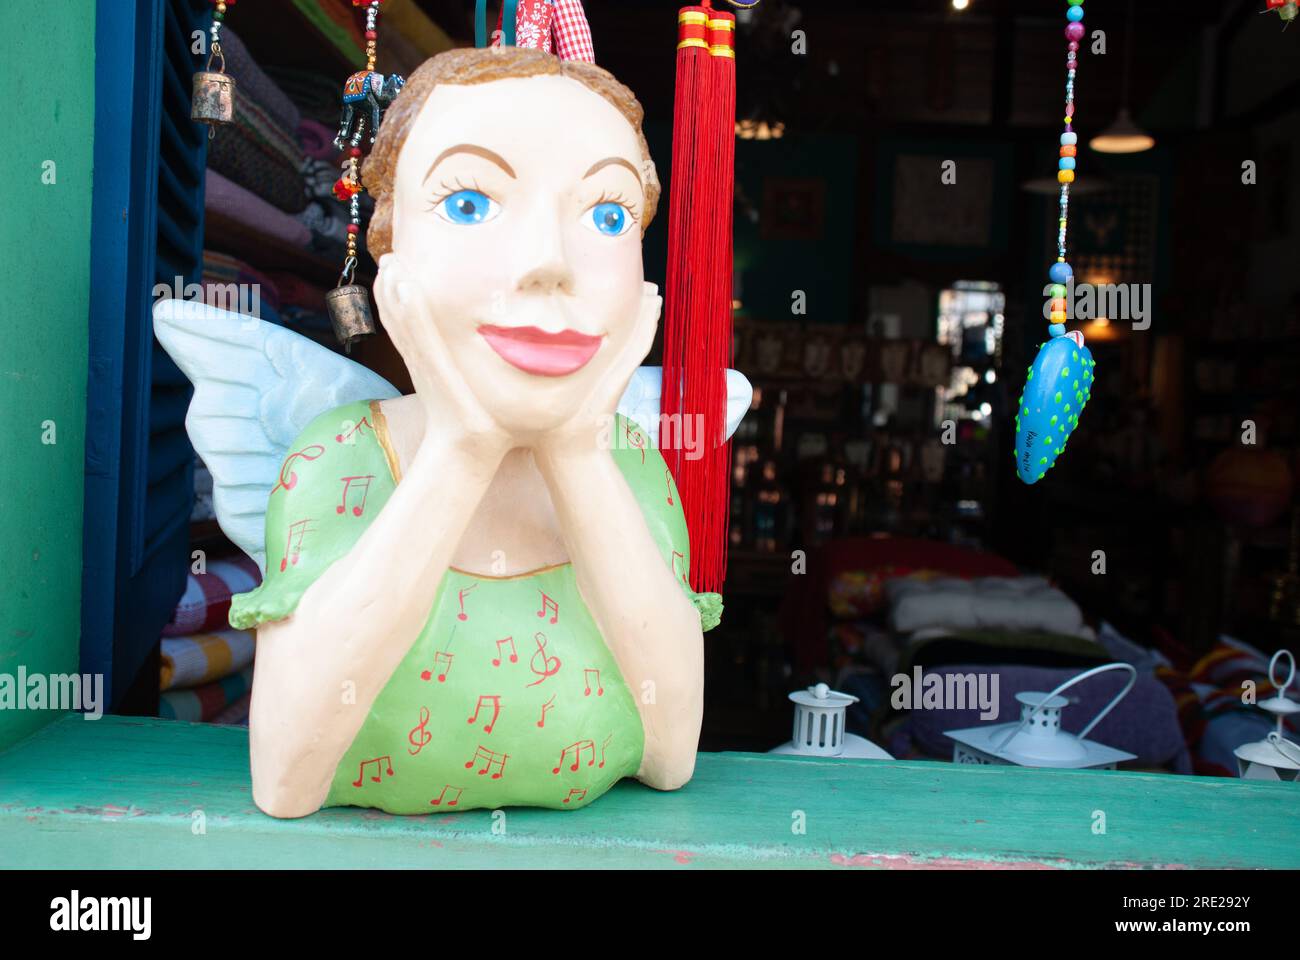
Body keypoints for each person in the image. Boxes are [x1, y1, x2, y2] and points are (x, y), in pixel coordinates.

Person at [230, 46, 719, 818]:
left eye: (607, 214)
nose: (548, 263)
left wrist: (575, 453)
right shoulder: (340, 458)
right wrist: (463, 447)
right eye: (469, 204)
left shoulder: (628, 462)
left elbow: (669, 755)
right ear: (392, 258)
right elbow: (288, 782)